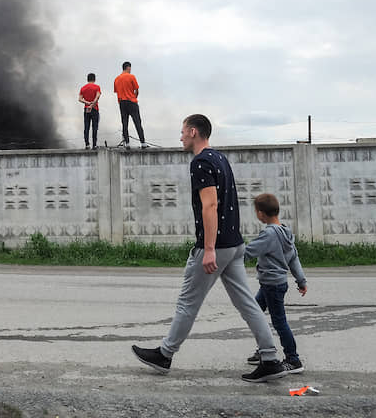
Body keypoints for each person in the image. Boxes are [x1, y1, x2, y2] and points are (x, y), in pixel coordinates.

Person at [131, 114, 287, 382]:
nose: (180, 137)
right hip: (235, 244)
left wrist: (210, 248)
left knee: (187, 302)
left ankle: (165, 355)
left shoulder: (200, 162)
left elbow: (211, 205)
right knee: (248, 304)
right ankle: (271, 359)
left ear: (193, 132)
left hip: (216, 246)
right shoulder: (220, 159)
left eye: (182, 132)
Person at [244, 193, 307, 374]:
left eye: (256, 211)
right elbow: (294, 259)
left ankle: (293, 360)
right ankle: (265, 350)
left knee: (279, 322)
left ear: (261, 213)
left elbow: (249, 251)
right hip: (272, 284)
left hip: (272, 285)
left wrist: (230, 255)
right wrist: (301, 280)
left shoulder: (269, 234)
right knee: (254, 313)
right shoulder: (286, 232)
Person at [113, 61, 147, 148]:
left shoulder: (116, 79)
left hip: (122, 103)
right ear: (128, 67)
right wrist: (134, 97)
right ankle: (143, 142)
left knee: (125, 123)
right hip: (131, 101)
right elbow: (136, 90)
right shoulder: (131, 77)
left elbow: (117, 92)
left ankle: (127, 143)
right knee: (137, 122)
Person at [78, 73, 101, 149]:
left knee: (86, 127)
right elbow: (97, 96)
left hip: (86, 109)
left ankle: (87, 144)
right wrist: (92, 104)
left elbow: (80, 99)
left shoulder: (83, 88)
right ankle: (94, 145)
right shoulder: (97, 87)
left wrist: (87, 103)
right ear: (94, 79)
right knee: (95, 127)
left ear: (87, 79)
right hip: (94, 109)